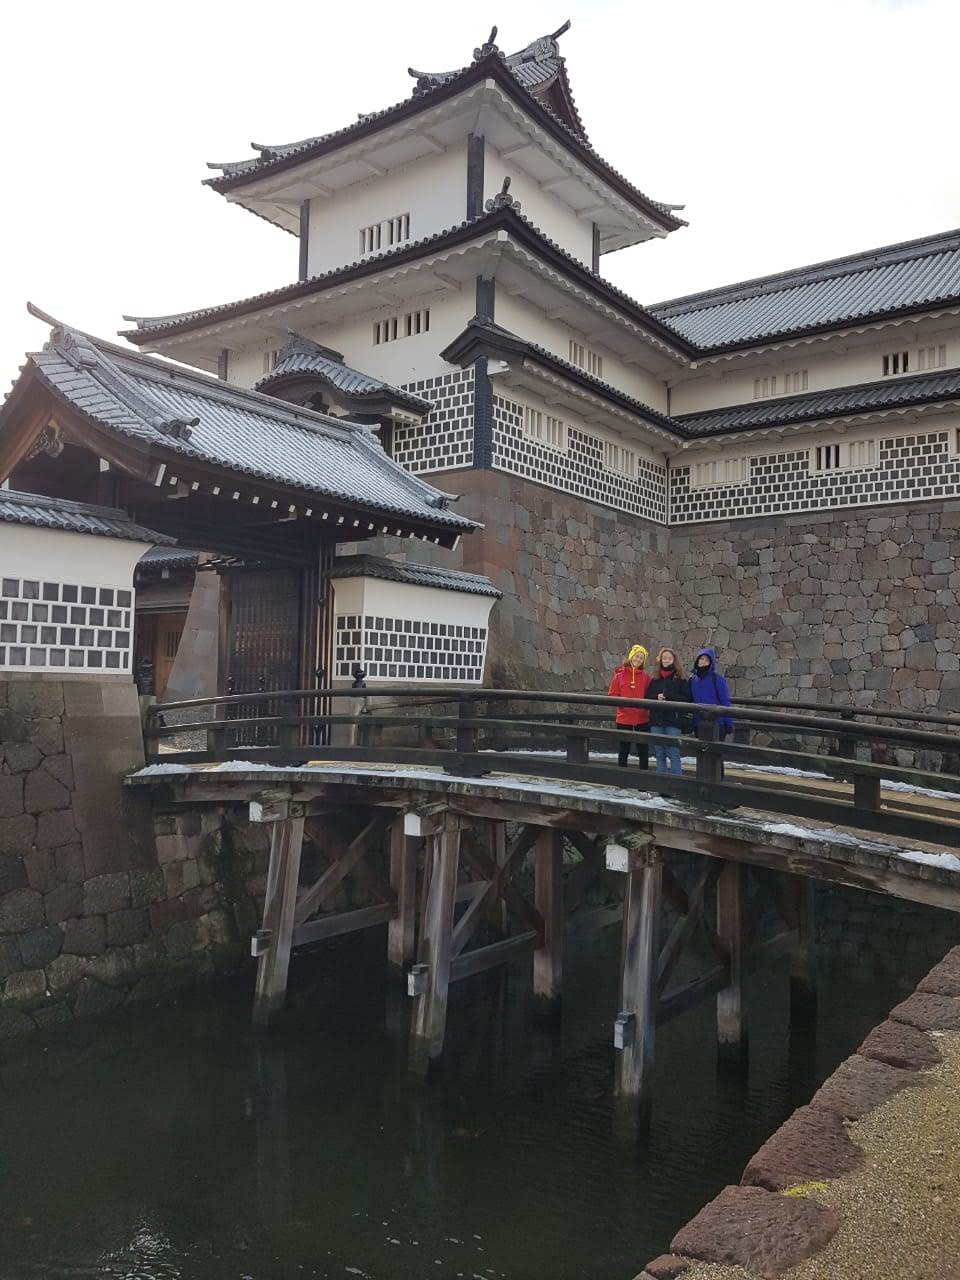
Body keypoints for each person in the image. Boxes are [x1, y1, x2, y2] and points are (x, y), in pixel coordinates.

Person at [689, 647, 734, 777]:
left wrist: (728, 723)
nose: (703, 662)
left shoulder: (717, 679)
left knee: (716, 755)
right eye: (701, 659)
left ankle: (718, 781)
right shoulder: (693, 680)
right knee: (701, 753)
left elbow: (725, 701)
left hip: (717, 723)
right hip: (699, 722)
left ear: (711, 663)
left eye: (706, 660)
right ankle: (701, 780)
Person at [646, 648, 691, 777]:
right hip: (656, 720)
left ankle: (676, 784)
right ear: (660, 660)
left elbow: (687, 698)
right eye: (664, 658)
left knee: (673, 752)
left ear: (674, 660)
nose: (666, 660)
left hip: (673, 720)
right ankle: (662, 785)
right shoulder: (655, 679)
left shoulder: (680, 679)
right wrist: (656, 697)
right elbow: (648, 696)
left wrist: (669, 696)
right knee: (659, 753)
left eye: (669, 658)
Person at [608, 644, 651, 769]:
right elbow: (612, 695)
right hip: (624, 717)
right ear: (631, 657)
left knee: (643, 749)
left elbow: (650, 695)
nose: (638, 659)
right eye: (636, 656)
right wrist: (623, 705)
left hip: (642, 718)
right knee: (624, 748)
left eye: (641, 658)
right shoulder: (619, 676)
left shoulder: (646, 677)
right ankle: (622, 778)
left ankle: (643, 779)